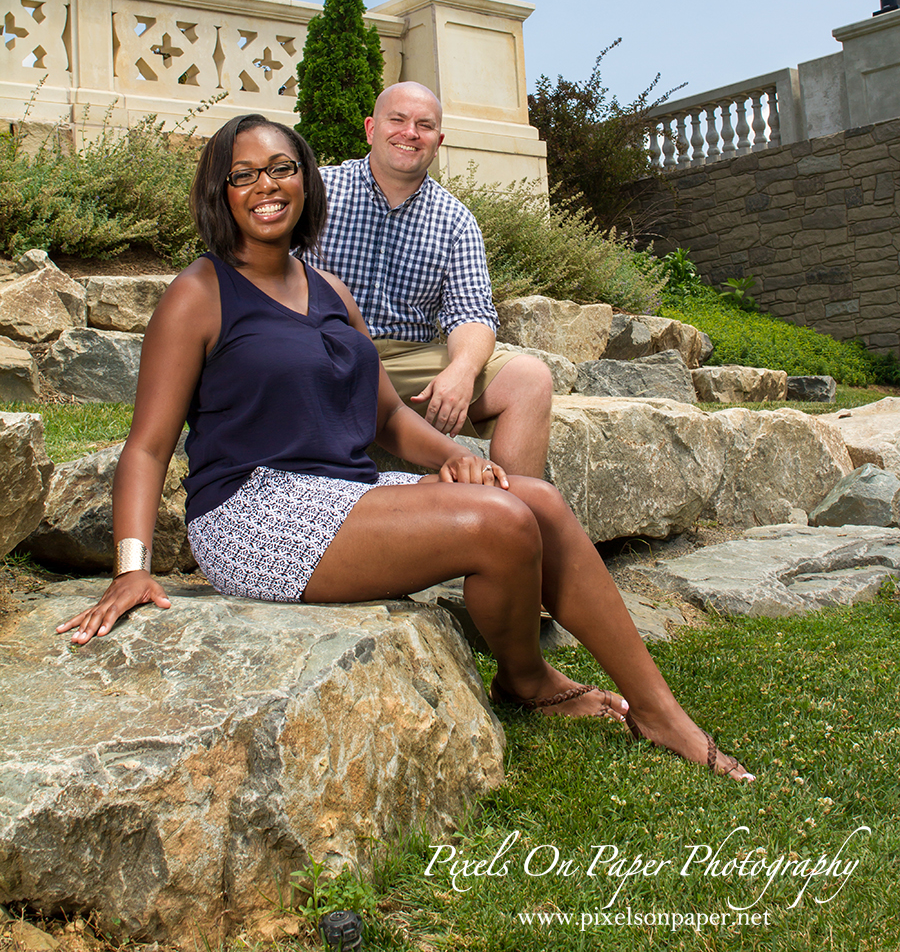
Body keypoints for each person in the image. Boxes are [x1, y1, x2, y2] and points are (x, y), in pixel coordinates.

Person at [58, 113, 753, 780]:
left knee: (530, 497)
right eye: (244, 176)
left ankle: (633, 705)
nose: (266, 186)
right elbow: (147, 447)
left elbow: (384, 414)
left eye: (281, 168)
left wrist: (449, 454)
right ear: (220, 192)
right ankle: (537, 679)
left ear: (305, 180)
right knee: (502, 520)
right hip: (253, 514)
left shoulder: (328, 289)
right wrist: (131, 568)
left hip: (346, 496)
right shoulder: (199, 293)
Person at [312, 82, 554, 479]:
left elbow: (471, 313)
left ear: (437, 141)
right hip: (324, 350)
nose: (410, 133)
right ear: (372, 129)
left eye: (424, 126)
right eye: (398, 120)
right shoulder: (317, 192)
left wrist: (461, 369)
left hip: (409, 365)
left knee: (529, 379)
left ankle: (514, 520)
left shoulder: (455, 220)